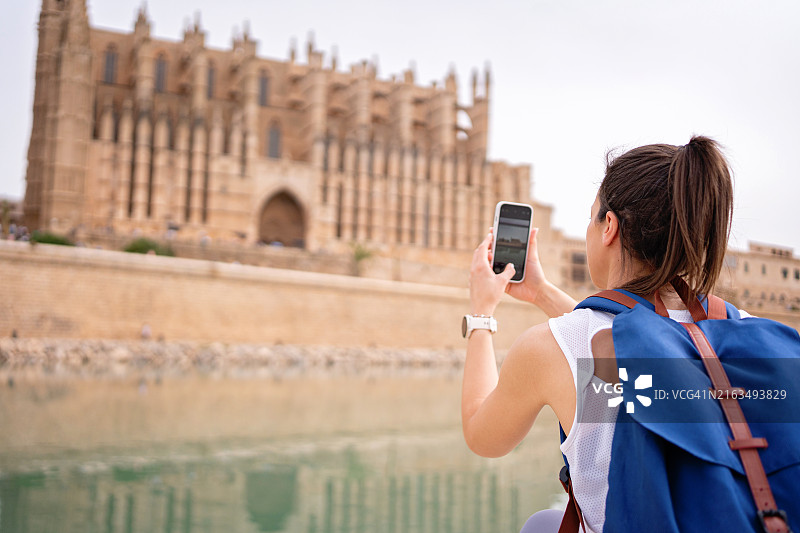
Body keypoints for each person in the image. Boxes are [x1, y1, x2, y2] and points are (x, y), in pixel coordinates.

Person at [462, 136, 739, 533]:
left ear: (609, 227)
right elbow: (623, 334)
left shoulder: (548, 348)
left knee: (541, 525)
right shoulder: (742, 325)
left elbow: (482, 436)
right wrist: (541, 293)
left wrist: (481, 314)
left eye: (592, 216)